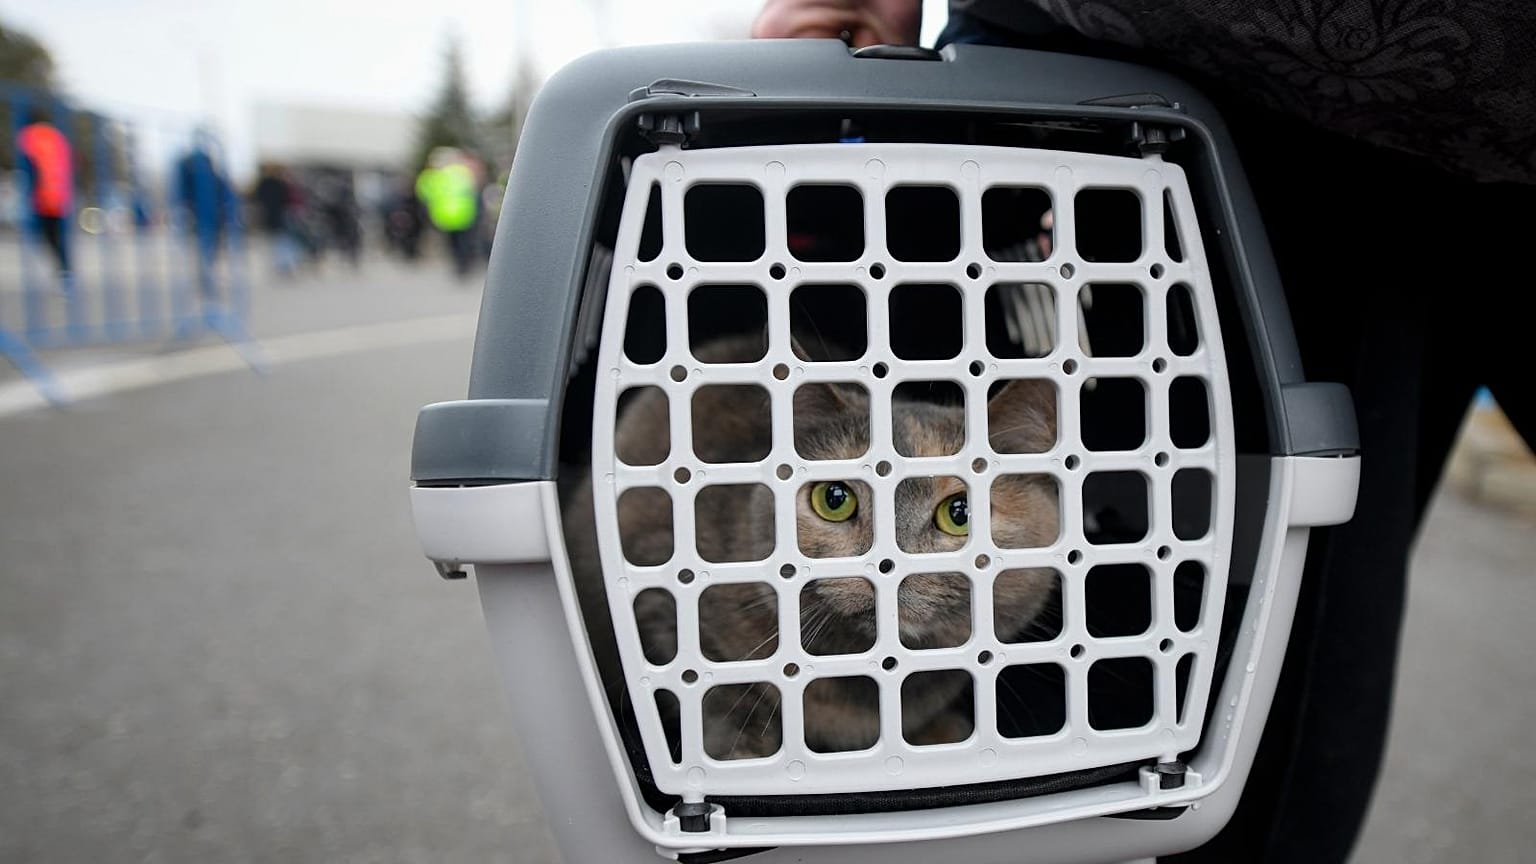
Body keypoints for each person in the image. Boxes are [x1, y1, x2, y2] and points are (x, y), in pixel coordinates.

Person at [750, 4, 1533, 864]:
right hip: (1193, 85)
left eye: (947, 521)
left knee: (1273, 639)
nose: (887, 562)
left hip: (1487, 128)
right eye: (837, 504)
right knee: (1251, 677)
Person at [175, 129, 239, 299]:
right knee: (205, 249)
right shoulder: (192, 168)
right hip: (203, 216)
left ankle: (208, 278)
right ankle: (206, 279)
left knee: (209, 249)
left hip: (212, 217)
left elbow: (225, 193)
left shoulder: (209, 172)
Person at [15, 108, 74, 283]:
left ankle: (63, 271)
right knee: (57, 235)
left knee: (45, 234)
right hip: (60, 195)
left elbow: (28, 166)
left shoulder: (29, 136)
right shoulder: (57, 137)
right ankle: (65, 271)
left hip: (40, 195)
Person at [415, 146, 481, 279]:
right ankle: (463, 265)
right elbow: (473, 190)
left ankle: (459, 265)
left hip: (445, 216)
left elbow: (424, 193)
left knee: (453, 242)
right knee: (464, 241)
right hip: (464, 213)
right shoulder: (462, 172)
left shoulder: (435, 176)